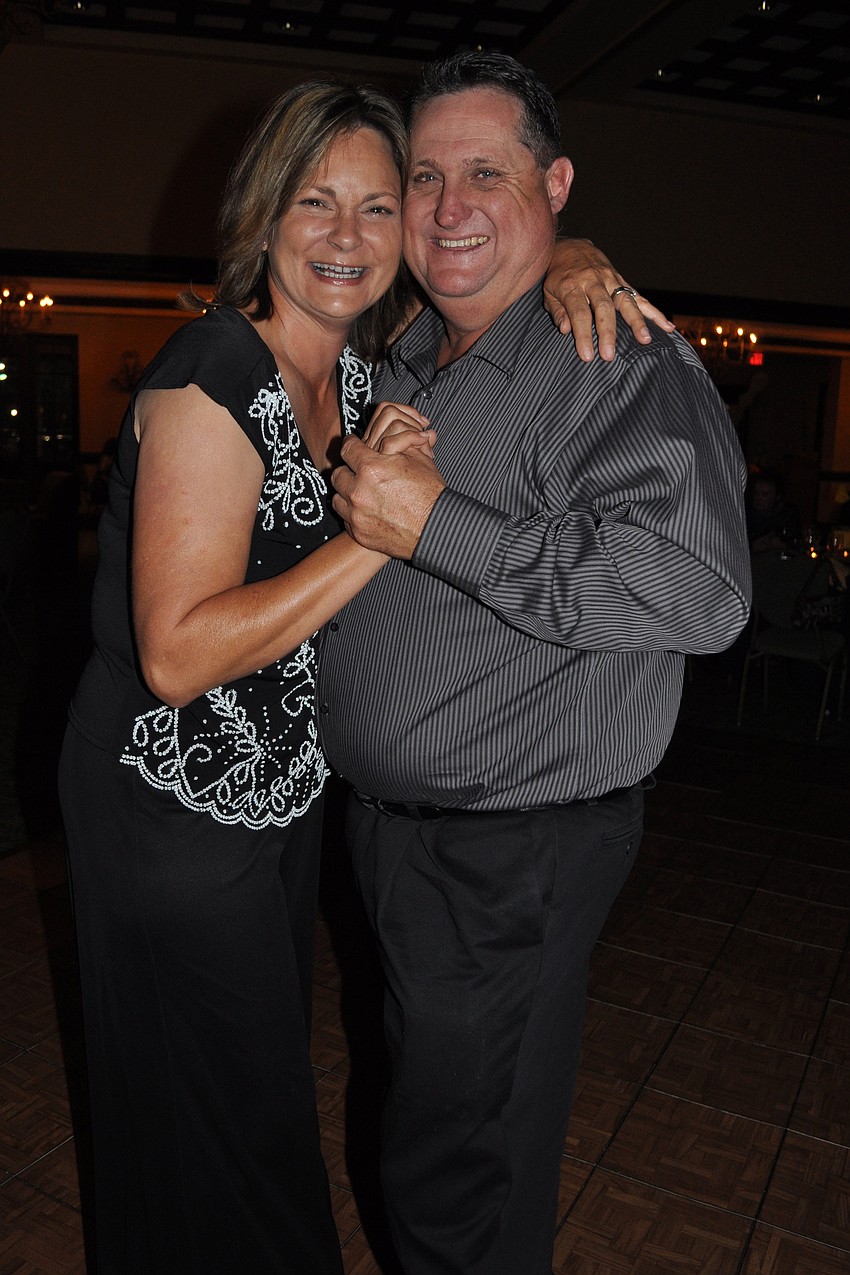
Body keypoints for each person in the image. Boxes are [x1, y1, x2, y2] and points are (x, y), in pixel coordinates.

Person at [57, 75, 661, 1275]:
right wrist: (376, 534)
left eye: (378, 207)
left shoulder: (375, 377)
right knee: (227, 1114)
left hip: (279, 808)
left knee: (237, 1089)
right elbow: (177, 653)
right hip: (169, 808)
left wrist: (573, 254)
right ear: (262, 214)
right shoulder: (208, 371)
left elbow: (491, 273)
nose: (347, 236)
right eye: (313, 201)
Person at [323, 52, 751, 1275]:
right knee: (431, 1130)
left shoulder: (615, 364)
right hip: (402, 834)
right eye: (424, 177)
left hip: (509, 850)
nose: (448, 206)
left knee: (463, 1167)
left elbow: (703, 597)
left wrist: (434, 523)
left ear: (555, 183)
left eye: (487, 175)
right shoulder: (407, 354)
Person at [746, 468, 801, 552]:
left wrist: (782, 545)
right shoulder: (746, 513)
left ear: (777, 496)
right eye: (756, 493)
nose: (758, 498)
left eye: (764, 494)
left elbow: (796, 542)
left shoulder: (788, 513)